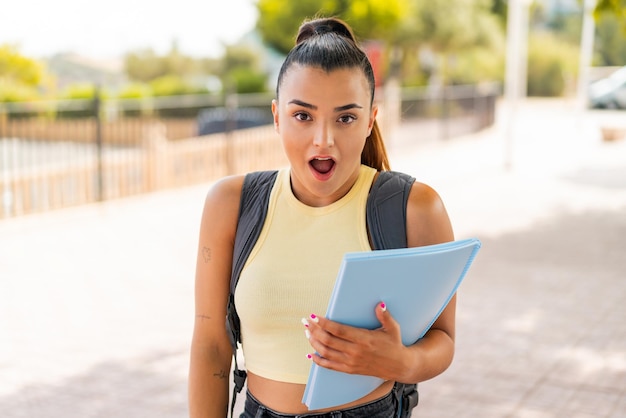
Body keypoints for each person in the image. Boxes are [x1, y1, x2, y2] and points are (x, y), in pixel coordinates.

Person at [188, 16, 455, 418]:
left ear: (370, 120)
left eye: (346, 118)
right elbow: (211, 345)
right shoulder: (231, 204)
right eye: (303, 116)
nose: (323, 140)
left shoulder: (415, 207)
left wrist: (401, 362)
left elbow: (443, 339)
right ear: (277, 116)